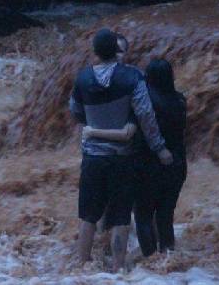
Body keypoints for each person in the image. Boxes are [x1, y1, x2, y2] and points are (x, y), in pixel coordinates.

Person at [69, 28, 173, 271]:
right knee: (121, 215)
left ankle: (81, 265)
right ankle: (117, 269)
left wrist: (92, 125)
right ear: (117, 51)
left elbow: (74, 109)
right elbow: (146, 115)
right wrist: (159, 148)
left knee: (88, 214)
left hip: (92, 156)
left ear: (94, 52)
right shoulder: (132, 77)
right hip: (122, 157)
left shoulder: (82, 78)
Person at [84, 56, 187, 256]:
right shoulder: (180, 100)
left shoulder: (144, 101)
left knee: (144, 216)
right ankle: (168, 256)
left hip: (148, 166)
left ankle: (149, 261)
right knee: (165, 216)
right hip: (176, 165)